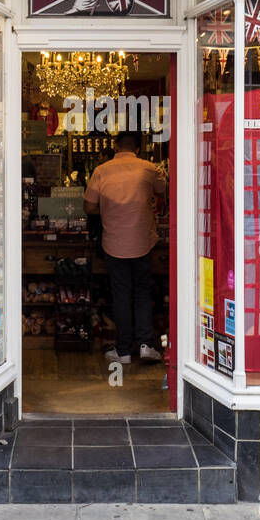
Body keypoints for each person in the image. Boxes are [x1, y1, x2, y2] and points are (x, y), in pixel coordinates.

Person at [84, 130, 167, 364]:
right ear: (138, 148)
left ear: (116, 147)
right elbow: (162, 190)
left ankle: (123, 351)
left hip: (114, 242)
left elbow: (89, 207)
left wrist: (109, 210)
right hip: (142, 240)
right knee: (142, 291)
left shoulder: (102, 170)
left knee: (121, 295)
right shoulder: (149, 168)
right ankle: (145, 344)